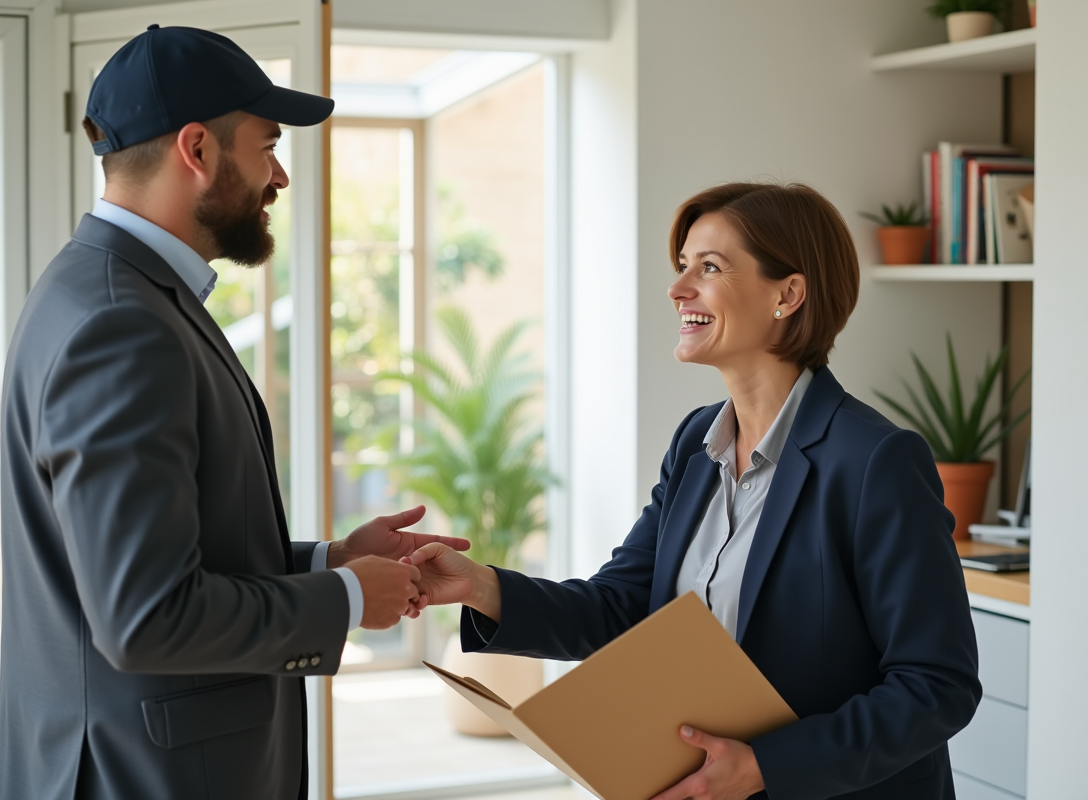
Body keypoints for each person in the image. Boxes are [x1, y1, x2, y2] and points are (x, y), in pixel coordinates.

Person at [0, 26, 467, 800]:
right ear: (197, 149)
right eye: (267, 144)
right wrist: (348, 600)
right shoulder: (122, 324)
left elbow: (155, 557)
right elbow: (147, 617)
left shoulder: (105, 291)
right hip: (144, 776)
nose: (278, 174)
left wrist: (330, 561)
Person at [406, 183, 983, 800]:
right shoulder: (695, 445)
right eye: (683, 267)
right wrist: (480, 586)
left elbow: (937, 685)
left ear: (788, 294)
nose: (679, 289)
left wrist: (765, 766)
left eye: (709, 267)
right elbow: (623, 608)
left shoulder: (874, 460)